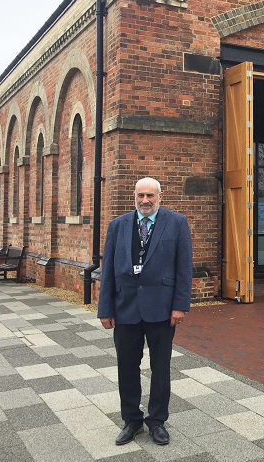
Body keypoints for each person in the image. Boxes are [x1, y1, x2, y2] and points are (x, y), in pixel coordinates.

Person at [97, 177, 193, 446]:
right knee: (126, 366)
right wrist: (105, 309)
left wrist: (179, 305)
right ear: (134, 196)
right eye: (140, 195)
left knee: (160, 367)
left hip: (162, 309)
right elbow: (109, 272)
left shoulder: (176, 223)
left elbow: (184, 269)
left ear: (160, 196)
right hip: (125, 308)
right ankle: (132, 420)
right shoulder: (118, 226)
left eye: (150, 195)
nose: (145, 201)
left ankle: (157, 421)